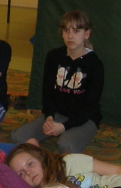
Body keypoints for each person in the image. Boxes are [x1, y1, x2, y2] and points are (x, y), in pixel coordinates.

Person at [12, 10, 103, 153]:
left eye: (76, 31)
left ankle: (70, 135)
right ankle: (37, 158)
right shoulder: (54, 57)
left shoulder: (95, 64)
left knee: (65, 145)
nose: (70, 36)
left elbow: (90, 107)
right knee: (18, 137)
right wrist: (49, 118)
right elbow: (48, 94)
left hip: (85, 119)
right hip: (58, 114)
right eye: (66, 30)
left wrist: (64, 127)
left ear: (86, 34)